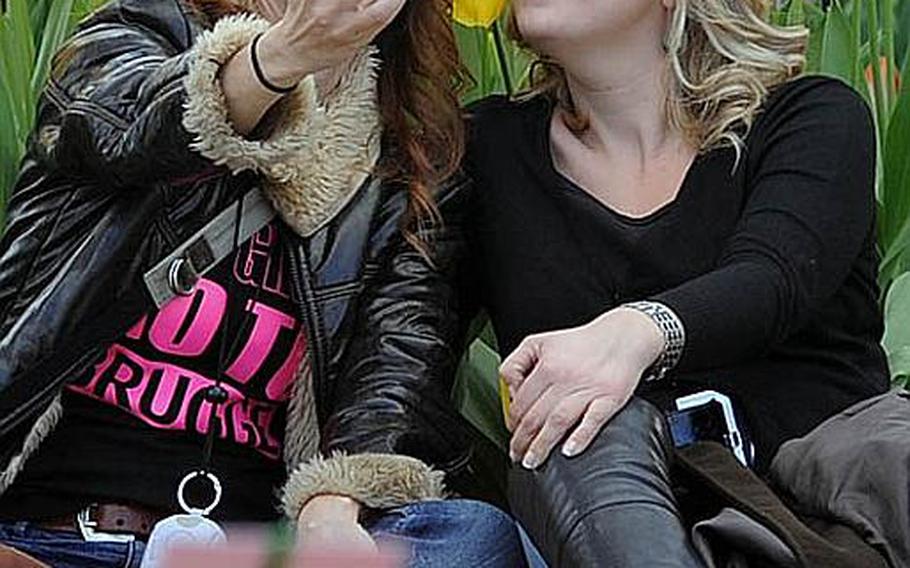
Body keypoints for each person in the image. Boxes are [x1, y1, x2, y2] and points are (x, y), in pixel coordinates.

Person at [0, 0, 527, 566]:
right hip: (51, 536)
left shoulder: (409, 158)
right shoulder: (138, 31)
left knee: (474, 537)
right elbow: (124, 125)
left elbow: (394, 364)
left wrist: (331, 507)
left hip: (243, 550)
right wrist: (279, 60)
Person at [464, 0, 889, 564]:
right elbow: (399, 331)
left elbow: (773, 278)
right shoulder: (484, 151)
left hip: (826, 510)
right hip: (612, 515)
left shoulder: (809, 118)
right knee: (574, 432)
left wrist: (637, 335)